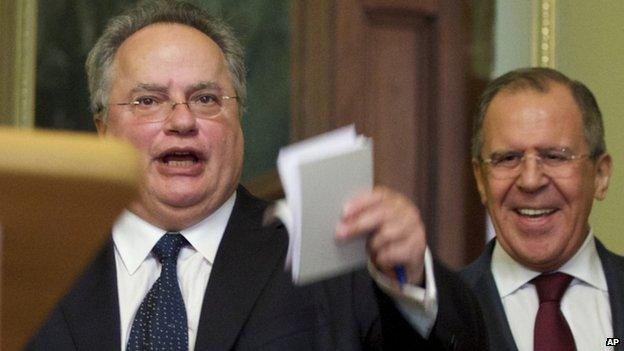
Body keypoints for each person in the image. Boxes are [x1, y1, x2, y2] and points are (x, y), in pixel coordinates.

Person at [28, 1, 486, 350]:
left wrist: (411, 283)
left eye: (206, 98)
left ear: (238, 118)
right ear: (104, 129)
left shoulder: (323, 256)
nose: (182, 120)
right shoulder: (34, 268)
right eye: (148, 100)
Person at [461, 67, 623, 351]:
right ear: (481, 180)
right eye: (508, 158)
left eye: (554, 157)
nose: (531, 180)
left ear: (600, 176)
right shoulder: (439, 317)